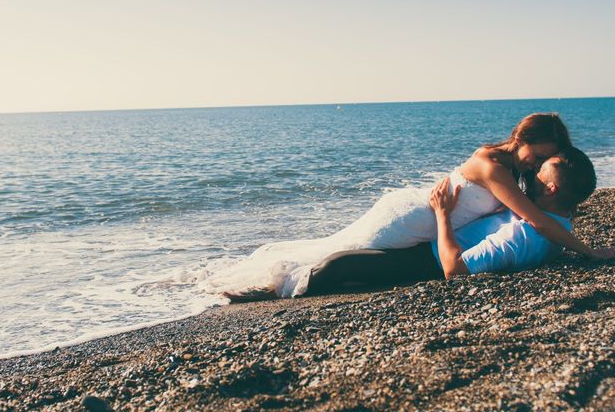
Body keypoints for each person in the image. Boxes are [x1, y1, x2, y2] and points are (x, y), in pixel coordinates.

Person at [207, 114, 612, 300]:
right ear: (523, 137)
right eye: (538, 154)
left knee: (349, 262)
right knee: (341, 258)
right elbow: (537, 220)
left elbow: (535, 219)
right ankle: (274, 285)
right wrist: (587, 251)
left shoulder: (515, 169)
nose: (537, 165)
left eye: (546, 161)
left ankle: (280, 287)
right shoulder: (493, 167)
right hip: (413, 220)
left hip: (437, 234)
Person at [305, 147, 612, 295]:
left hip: (427, 262)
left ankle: (296, 293)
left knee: (338, 265)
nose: (531, 174)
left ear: (551, 189)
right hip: (429, 250)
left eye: (539, 173)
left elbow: (456, 270)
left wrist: (443, 215)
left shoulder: (526, 235)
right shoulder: (557, 221)